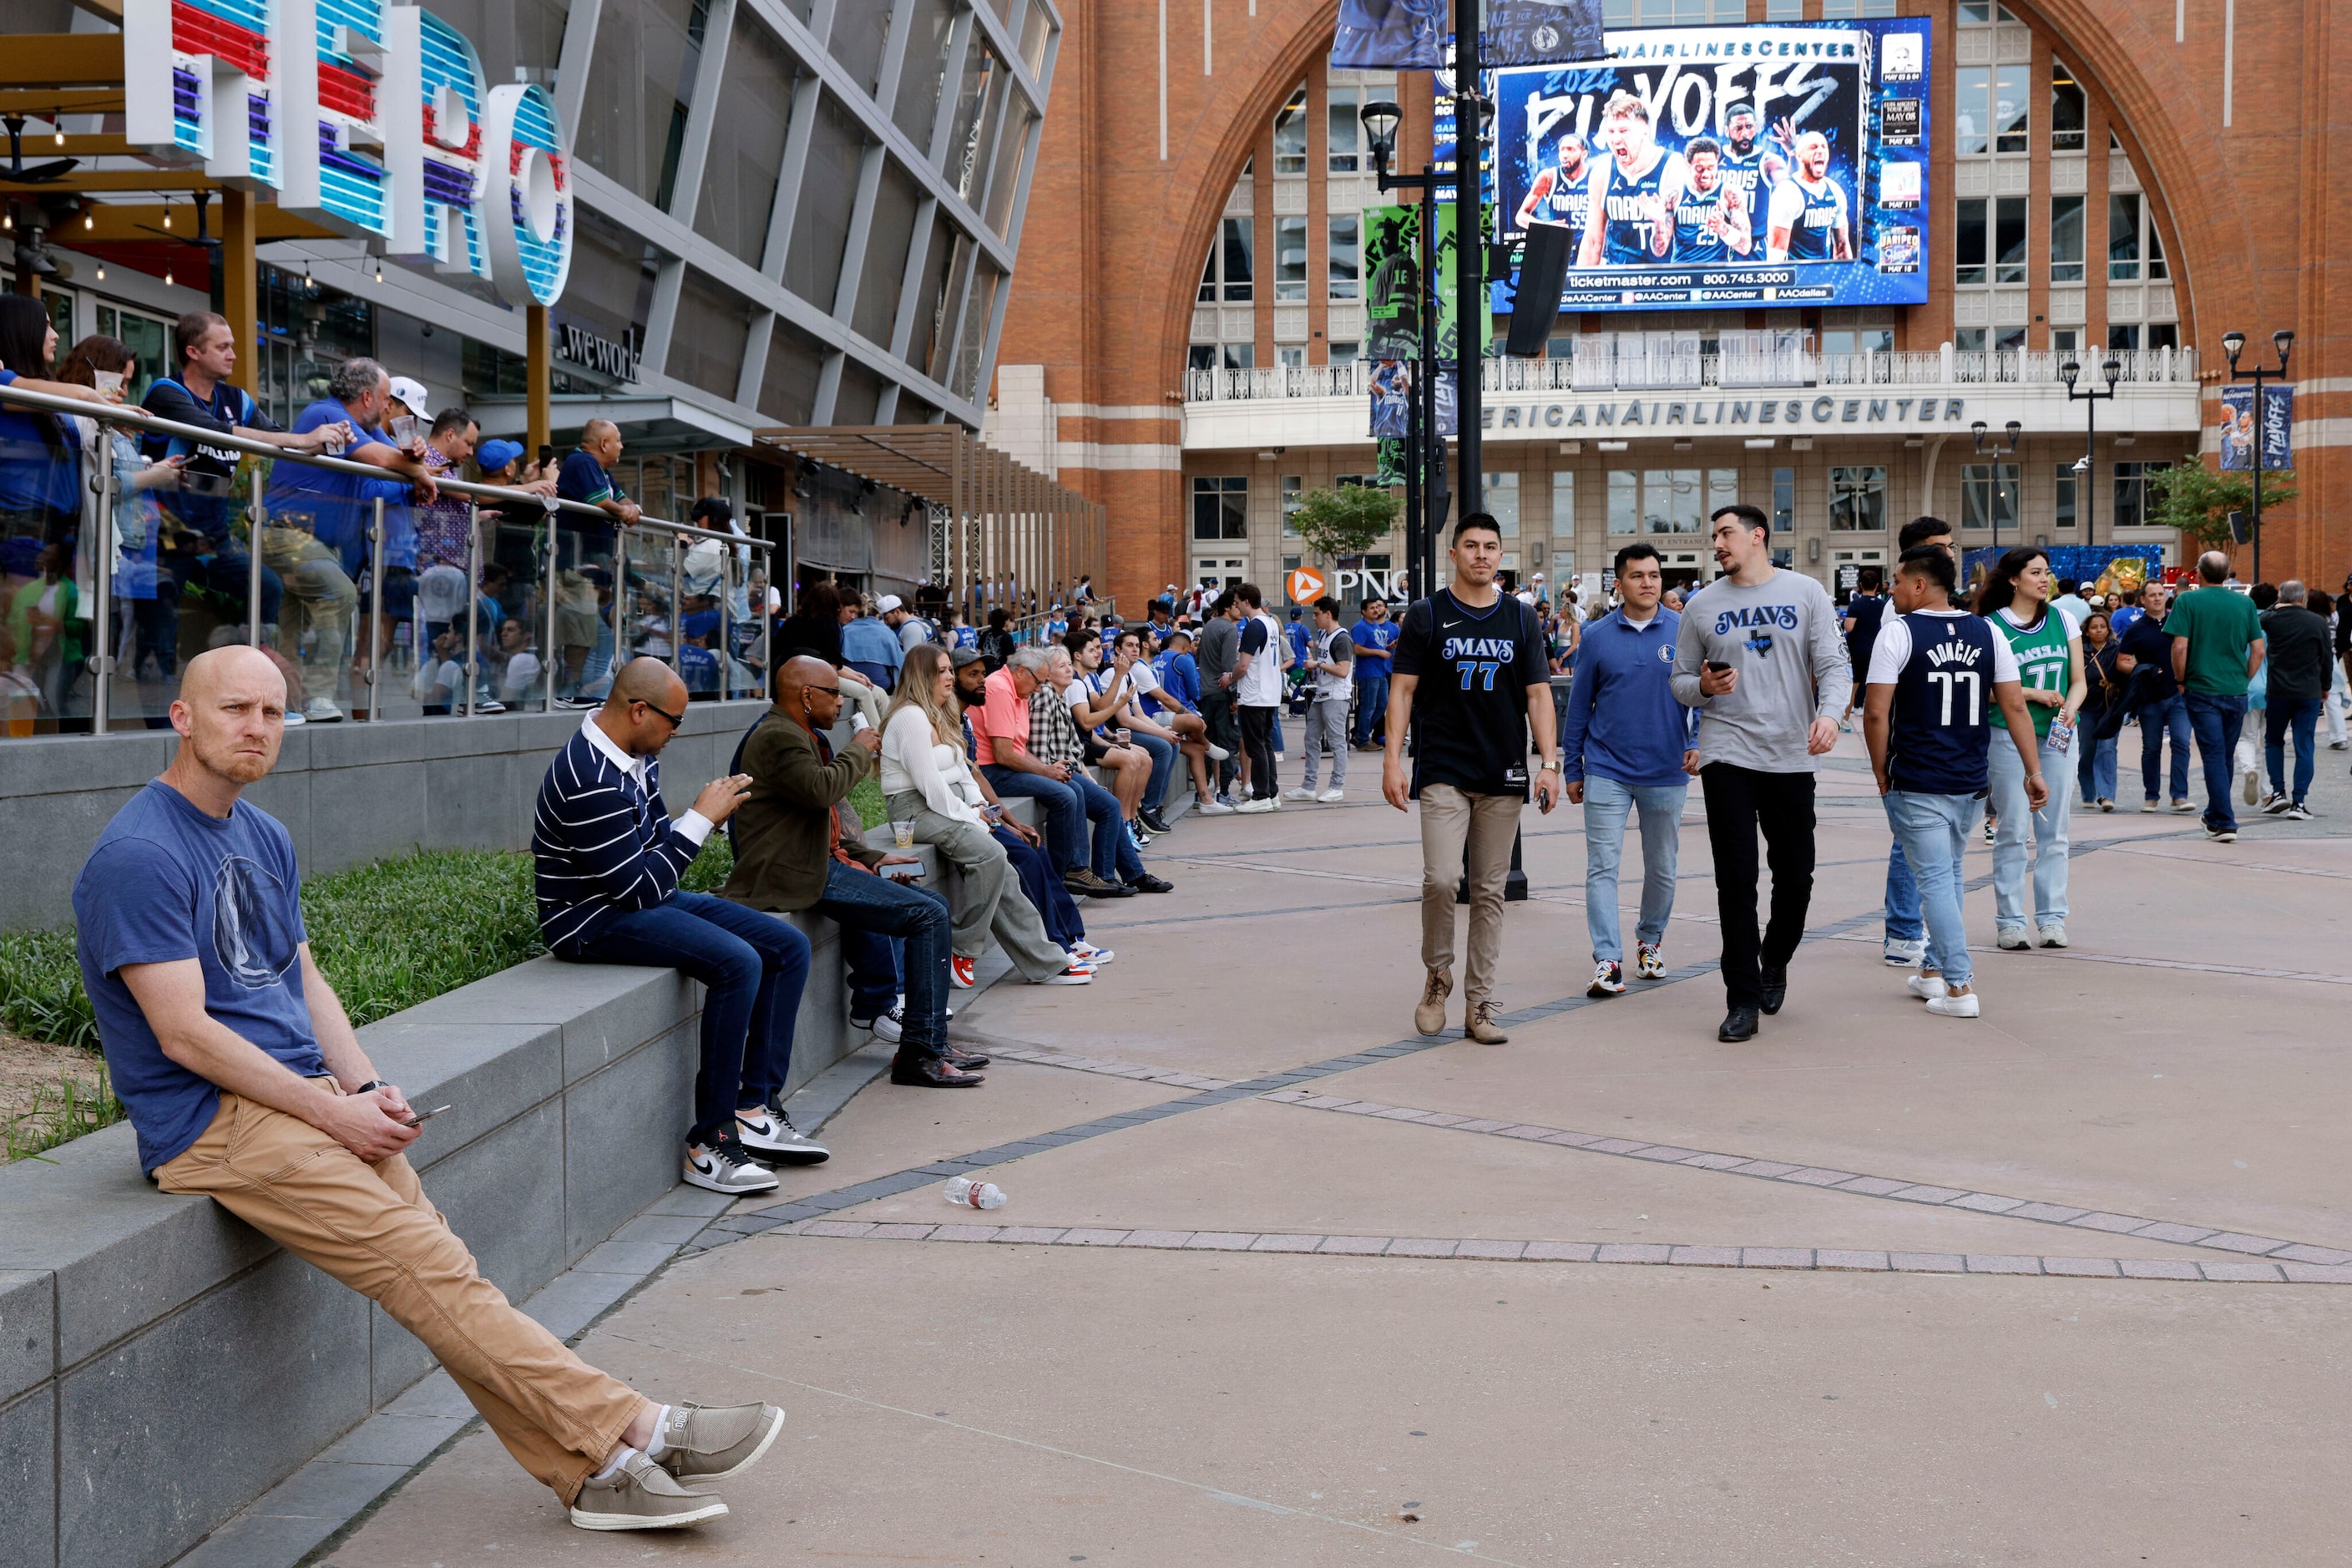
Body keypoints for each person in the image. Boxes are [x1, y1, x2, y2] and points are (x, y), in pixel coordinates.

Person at [78, 645, 785, 1531]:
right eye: (234, 710)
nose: (257, 729)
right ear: (182, 718)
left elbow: (302, 979)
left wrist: (366, 1085)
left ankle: (591, 1479)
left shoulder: (262, 834)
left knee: (444, 1278)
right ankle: (640, 1426)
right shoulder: (139, 854)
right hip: (210, 1126)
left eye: (272, 712)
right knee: (435, 1271)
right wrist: (327, 1109)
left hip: (300, 1101)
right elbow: (184, 1034)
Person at [532, 656, 824, 1190]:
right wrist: (700, 819)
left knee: (786, 945)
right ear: (639, 711)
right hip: (589, 921)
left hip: (642, 901)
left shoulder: (633, 754)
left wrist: (693, 822)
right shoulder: (587, 776)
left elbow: (649, 859)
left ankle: (752, 1107)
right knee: (738, 962)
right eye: (675, 722)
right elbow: (636, 887)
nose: (675, 734)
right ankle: (709, 1142)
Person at [724, 655, 981, 1086]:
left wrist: (872, 858)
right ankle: (920, 1051)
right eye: (834, 694)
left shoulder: (799, 733)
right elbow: (822, 790)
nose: (841, 704)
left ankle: (927, 1042)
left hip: (818, 863)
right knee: (928, 914)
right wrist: (859, 749)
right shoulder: (777, 736)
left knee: (932, 903)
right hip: (793, 873)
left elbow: (825, 821)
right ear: (807, 696)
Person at [1671, 503, 1849, 1042]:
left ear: (1757, 537)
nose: (1717, 544)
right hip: (1726, 754)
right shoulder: (1701, 606)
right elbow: (1679, 680)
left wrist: (1829, 715)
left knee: (1795, 877)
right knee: (1735, 880)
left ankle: (1775, 956)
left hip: (1790, 755)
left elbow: (1835, 667)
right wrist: (1704, 688)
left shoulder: (1806, 593)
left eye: (1725, 534)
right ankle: (1742, 999)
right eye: (1713, 536)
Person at [1384, 513, 1560, 1044]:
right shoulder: (1427, 615)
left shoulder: (1521, 620)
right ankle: (1438, 976)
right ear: (1455, 554)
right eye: (1471, 546)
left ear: (1500, 556)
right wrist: (1393, 760)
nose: (1482, 555)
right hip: (1443, 768)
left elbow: (1538, 695)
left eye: (1490, 547)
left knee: (1489, 891)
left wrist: (1549, 763)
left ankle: (1479, 1002)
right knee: (1442, 880)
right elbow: (1403, 691)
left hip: (1502, 770)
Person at [1861, 547, 2047, 1019]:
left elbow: (1877, 710)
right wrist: (2034, 770)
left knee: (1937, 882)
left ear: (1920, 585)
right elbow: (2015, 706)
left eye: (1899, 580)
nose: (1893, 588)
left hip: (1919, 778)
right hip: (1969, 779)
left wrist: (1881, 771)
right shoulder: (1988, 631)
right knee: (1948, 876)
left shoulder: (1898, 633)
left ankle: (1960, 985)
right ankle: (1932, 968)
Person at [883, 644, 1098, 988]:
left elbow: (965, 771)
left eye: (950, 670)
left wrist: (980, 809)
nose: (950, 676)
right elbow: (930, 786)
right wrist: (971, 816)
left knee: (1007, 873)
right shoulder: (909, 717)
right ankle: (962, 947)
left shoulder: (941, 713)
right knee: (992, 854)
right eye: (943, 671)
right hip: (914, 808)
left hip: (948, 804)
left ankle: (1046, 961)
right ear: (922, 676)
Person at [135, 311, 346, 658]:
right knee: (160, 631)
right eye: (223, 347)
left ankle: (247, 674)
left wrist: (328, 441)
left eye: (231, 345)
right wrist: (303, 438)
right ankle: (162, 710)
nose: (233, 354)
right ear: (193, 352)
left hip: (213, 535)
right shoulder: (165, 392)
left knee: (266, 587)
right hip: (166, 534)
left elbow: (281, 439)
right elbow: (216, 431)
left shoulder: (238, 399)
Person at [262, 357, 436, 722]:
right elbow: (385, 458)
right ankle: (318, 698)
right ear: (368, 396)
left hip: (313, 542)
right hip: (284, 532)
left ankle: (280, 703)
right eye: (387, 398)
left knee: (290, 622)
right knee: (339, 592)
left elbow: (392, 466)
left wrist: (416, 463)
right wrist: (417, 470)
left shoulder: (365, 426)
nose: (390, 406)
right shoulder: (325, 414)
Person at [1560, 542, 1697, 998]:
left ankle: (1650, 942)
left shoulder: (1684, 630)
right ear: (1619, 584)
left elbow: (1705, 696)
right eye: (1638, 576)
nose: (1648, 583)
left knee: (1662, 867)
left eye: (1655, 575)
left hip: (1666, 768)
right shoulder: (1597, 635)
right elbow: (1579, 706)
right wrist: (1571, 767)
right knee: (1602, 866)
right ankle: (1607, 960)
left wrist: (1697, 743)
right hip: (1606, 769)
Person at [948, 647, 1110, 967]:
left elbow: (973, 775)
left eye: (983, 674)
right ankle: (1055, 944)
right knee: (1038, 841)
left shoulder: (965, 715)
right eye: (973, 675)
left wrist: (1009, 820)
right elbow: (990, 762)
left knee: (1038, 846)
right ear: (1021, 672)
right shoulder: (992, 692)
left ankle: (1069, 937)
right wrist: (1044, 774)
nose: (1040, 690)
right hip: (967, 808)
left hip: (981, 803)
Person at [1973, 546, 2086, 947]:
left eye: (2047, 572)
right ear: (2013, 579)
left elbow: (2078, 679)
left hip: (2057, 737)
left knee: (2055, 830)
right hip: (2006, 735)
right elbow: (1985, 689)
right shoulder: (1991, 626)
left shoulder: (2064, 619)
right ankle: (2009, 920)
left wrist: (2071, 707)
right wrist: (2033, 694)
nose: (2045, 579)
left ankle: (2052, 918)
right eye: (2036, 572)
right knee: (2013, 829)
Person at [1039, 641, 1172, 892]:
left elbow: (1074, 746)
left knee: (1112, 800)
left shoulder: (1062, 694)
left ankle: (1131, 872)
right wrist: (1120, 697)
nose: (1069, 670)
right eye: (1062, 666)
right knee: (1111, 797)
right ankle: (1099, 873)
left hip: (1074, 763)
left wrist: (1090, 774)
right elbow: (1082, 727)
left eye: (1069, 665)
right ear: (1045, 672)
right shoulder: (1048, 695)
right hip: (1056, 772)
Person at [2167, 550, 2267, 842]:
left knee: (2213, 753)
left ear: (2198, 572)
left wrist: (2181, 679)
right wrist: (2244, 678)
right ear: (2227, 573)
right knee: (2224, 753)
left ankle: (2225, 821)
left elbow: (2179, 648)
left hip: (2202, 687)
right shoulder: (2245, 603)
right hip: (2235, 690)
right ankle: (2215, 814)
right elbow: (2258, 650)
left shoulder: (2187, 601)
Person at [1576, 90, 1683, 266]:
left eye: (1624, 130)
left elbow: (1682, 242)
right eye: (1611, 131)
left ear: (1644, 130)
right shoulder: (1602, 173)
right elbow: (1593, 242)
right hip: (1617, 278)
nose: (1616, 139)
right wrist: (1580, 290)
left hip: (1662, 280)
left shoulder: (1673, 168)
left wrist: (1660, 223)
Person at [2257, 579, 2331, 820]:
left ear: (2280, 598)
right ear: (2303, 599)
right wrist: (2325, 686)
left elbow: (2260, 617)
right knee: (2304, 744)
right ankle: (2299, 802)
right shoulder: (2317, 622)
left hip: (2278, 691)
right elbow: (2326, 657)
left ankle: (2278, 792)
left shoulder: (2271, 619)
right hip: (2308, 691)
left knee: (2273, 741)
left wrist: (2275, 605)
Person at [2117, 579, 2192, 812]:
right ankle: (2151, 795)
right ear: (2143, 599)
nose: (2157, 598)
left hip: (2178, 693)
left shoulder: (2179, 622)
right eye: (2152, 595)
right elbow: (2122, 662)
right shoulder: (2136, 629)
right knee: (2151, 747)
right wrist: (2141, 669)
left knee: (2181, 742)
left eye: (2161, 594)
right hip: (2149, 696)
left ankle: (2179, 795)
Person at [1286, 595, 1354, 802]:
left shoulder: (1342, 638)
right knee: (1311, 738)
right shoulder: (1325, 635)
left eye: (1316, 614)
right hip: (1322, 694)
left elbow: (1343, 671)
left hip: (1336, 696)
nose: (1313, 618)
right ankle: (1308, 786)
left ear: (1328, 614)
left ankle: (1336, 786)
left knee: (1336, 742)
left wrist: (1317, 665)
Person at [1232, 583, 1286, 811]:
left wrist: (1229, 678)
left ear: (1246, 601)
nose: (1236, 607)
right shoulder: (1271, 622)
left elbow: (1243, 665)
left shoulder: (1253, 626)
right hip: (1270, 692)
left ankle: (1261, 795)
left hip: (1255, 693)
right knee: (1266, 744)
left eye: (1237, 602)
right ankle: (1271, 794)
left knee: (1256, 746)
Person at [1765, 129, 1851, 261]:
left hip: (1823, 273)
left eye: (1824, 147)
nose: (1820, 151)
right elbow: (1776, 255)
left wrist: (1844, 280)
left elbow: (1842, 246)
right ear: (1799, 156)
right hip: (1795, 276)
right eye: (1813, 147)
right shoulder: (1787, 193)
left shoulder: (1835, 191)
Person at [1196, 590, 1244, 803]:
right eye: (1236, 605)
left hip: (1206, 692)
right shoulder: (1229, 630)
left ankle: (1203, 793)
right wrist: (1234, 697)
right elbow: (1228, 667)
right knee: (1226, 744)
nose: (1241, 608)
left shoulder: (1209, 627)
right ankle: (1224, 791)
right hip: (1222, 692)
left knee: (1208, 743)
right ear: (1228, 607)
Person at [2076, 610, 2123, 812]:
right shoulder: (2079, 651)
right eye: (2094, 627)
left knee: (2107, 749)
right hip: (2085, 706)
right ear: (2086, 631)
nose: (2098, 631)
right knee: (2087, 751)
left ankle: (2106, 795)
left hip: (2110, 707)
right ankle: (2088, 792)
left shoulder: (2116, 649)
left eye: (2102, 627)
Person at [1349, 594, 1400, 749]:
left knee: (1382, 704)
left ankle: (1361, 733)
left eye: (1377, 607)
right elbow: (1357, 649)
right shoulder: (1360, 627)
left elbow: (1378, 646)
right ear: (1363, 611)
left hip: (1380, 672)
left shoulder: (1376, 626)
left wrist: (1388, 647)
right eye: (1372, 608)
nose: (1376, 610)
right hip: (1368, 673)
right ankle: (1363, 739)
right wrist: (1379, 653)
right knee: (1369, 706)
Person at [1840, 565, 1885, 732]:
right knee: (1872, 683)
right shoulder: (1883, 605)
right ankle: (1869, 714)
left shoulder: (1856, 605)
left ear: (1860, 585)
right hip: (1876, 648)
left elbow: (1849, 627)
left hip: (1857, 647)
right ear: (1876, 586)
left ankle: (1845, 719)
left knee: (1853, 684)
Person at [841, 594, 904, 691]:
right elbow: (899, 665)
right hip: (881, 685)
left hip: (851, 684)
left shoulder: (845, 631)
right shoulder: (887, 632)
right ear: (878, 616)